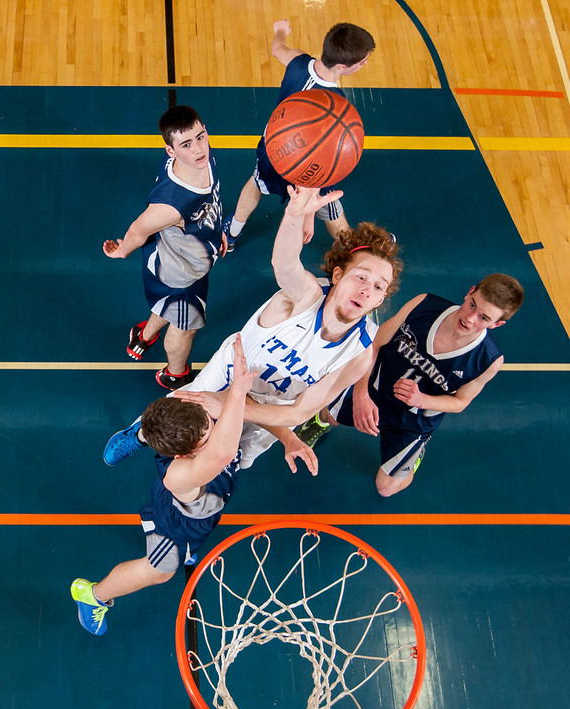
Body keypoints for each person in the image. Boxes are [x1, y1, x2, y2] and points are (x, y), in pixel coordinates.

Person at [70, 337, 316, 637]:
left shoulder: (197, 418)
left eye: (210, 423)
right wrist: (237, 392)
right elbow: (221, 453)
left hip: (200, 506)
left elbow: (244, 411)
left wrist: (287, 436)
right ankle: (93, 595)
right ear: (185, 455)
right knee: (159, 572)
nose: (215, 427)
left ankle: (142, 437)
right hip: (179, 527)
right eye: (207, 436)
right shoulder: (181, 474)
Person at [164, 185, 403, 471]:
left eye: (378, 287)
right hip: (229, 372)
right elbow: (284, 264)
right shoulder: (304, 297)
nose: (366, 290)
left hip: (272, 410)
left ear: (381, 299)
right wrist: (294, 215)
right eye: (361, 277)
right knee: (175, 420)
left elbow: (299, 412)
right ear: (338, 275)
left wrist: (235, 407)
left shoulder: (359, 355)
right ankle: (137, 435)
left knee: (235, 461)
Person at [295, 274, 524, 496]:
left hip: (413, 421)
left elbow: (461, 402)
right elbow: (374, 344)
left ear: (497, 324)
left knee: (386, 488)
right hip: (375, 388)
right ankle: (319, 421)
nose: (470, 318)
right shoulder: (424, 305)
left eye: (484, 318)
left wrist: (422, 400)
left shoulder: (488, 360)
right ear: (470, 291)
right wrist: (361, 393)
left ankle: (414, 455)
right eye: (472, 305)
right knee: (329, 414)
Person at [223, 20, 376, 252]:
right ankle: (354, 254)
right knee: (331, 206)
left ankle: (232, 233)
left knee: (256, 182)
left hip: (275, 149)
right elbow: (319, 157)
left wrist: (280, 31)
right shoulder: (335, 104)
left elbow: (277, 49)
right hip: (309, 167)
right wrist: (308, 215)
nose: (364, 64)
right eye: (362, 62)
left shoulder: (298, 61)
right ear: (342, 66)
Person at [103, 105, 226, 390]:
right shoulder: (171, 204)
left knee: (169, 307)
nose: (198, 148)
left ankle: (144, 335)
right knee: (185, 327)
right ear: (170, 151)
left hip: (191, 256)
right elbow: (138, 229)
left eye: (200, 137)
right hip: (180, 275)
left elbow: (209, 201)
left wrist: (215, 228)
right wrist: (123, 250)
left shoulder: (201, 160)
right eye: (186, 144)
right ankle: (175, 374)